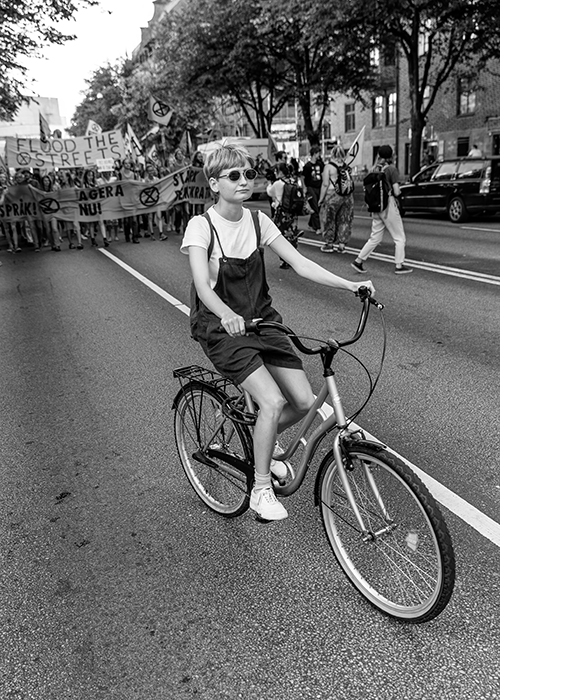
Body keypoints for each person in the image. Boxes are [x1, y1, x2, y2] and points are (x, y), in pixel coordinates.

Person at [181, 144, 375, 521]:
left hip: (263, 320)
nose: (243, 181)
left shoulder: (258, 221)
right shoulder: (201, 226)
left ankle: (259, 445)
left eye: (247, 174)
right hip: (222, 327)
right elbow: (203, 287)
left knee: (304, 402)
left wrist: (350, 285)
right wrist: (225, 314)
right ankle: (260, 488)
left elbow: (300, 263)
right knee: (271, 401)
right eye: (233, 176)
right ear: (214, 183)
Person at [351, 145, 413, 275]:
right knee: (399, 237)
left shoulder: (375, 169)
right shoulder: (391, 169)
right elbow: (396, 191)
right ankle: (399, 265)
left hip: (376, 206)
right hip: (388, 205)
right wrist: (400, 190)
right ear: (392, 155)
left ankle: (359, 260)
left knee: (375, 237)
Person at [318, 145, 354, 253]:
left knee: (329, 220)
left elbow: (325, 184)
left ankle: (329, 244)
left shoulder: (328, 167)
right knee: (345, 219)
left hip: (333, 195)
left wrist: (321, 199)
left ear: (332, 154)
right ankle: (342, 245)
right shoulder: (346, 166)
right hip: (347, 196)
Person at [301, 146, 323, 235]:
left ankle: (311, 223)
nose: (319, 155)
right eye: (318, 153)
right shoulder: (307, 166)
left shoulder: (320, 164)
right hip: (311, 187)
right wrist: (304, 187)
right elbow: (302, 177)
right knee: (314, 206)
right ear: (314, 154)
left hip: (319, 187)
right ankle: (317, 227)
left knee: (318, 206)